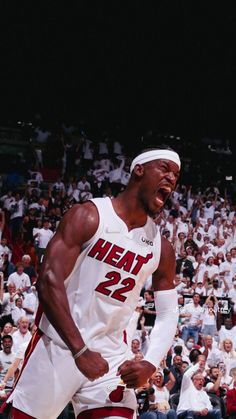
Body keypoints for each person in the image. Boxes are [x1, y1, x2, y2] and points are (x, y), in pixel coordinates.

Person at [8, 147, 181, 419]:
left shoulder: (162, 248)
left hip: (110, 356)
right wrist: (80, 350)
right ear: (139, 170)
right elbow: (48, 280)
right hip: (59, 345)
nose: (172, 178)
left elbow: (169, 312)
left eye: (176, 174)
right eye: (165, 168)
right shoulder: (89, 216)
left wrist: (149, 361)